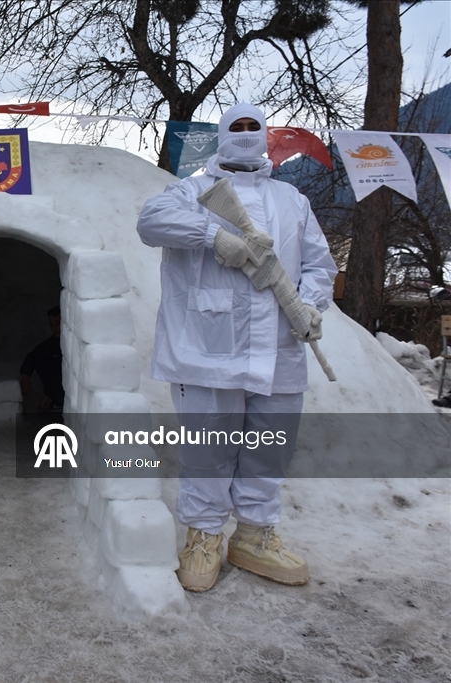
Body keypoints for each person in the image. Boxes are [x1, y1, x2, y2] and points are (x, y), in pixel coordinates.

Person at [136, 103, 337, 593]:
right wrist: (214, 236)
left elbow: (319, 264)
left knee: (269, 446)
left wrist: (308, 306)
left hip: (280, 346)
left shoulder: (293, 200)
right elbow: (151, 222)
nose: (247, 135)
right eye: (237, 128)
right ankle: (203, 536)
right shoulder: (191, 191)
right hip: (209, 346)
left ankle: (253, 535)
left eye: (255, 128)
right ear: (222, 135)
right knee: (209, 448)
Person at [19, 305, 64, 411]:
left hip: (70, 391)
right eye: (51, 324)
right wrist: (25, 376)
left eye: (57, 323)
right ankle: (56, 400)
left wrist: (47, 395)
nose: (54, 328)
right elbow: (34, 355)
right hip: (55, 391)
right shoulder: (52, 343)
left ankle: (58, 400)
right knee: (42, 360)